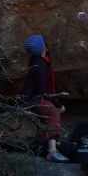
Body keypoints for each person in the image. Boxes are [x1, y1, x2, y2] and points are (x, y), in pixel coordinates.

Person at [20, 34, 69, 163]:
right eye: (44, 43)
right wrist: (58, 104)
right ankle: (52, 152)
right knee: (53, 115)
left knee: (46, 119)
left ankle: (41, 145)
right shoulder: (40, 66)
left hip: (33, 96)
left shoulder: (38, 60)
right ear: (42, 47)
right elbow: (43, 91)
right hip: (35, 98)